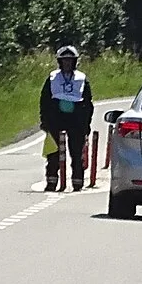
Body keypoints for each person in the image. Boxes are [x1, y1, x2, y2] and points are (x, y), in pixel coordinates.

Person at [40, 45, 93, 192]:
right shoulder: (52, 78)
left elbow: (88, 103)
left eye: (70, 60)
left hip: (75, 121)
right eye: (65, 61)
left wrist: (86, 124)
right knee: (53, 153)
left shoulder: (82, 79)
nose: (67, 63)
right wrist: (45, 120)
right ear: (60, 62)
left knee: (76, 153)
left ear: (75, 62)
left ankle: (77, 182)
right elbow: (44, 101)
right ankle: (51, 182)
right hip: (55, 119)